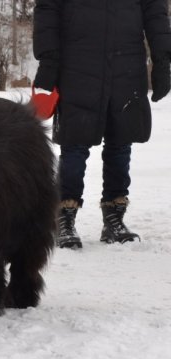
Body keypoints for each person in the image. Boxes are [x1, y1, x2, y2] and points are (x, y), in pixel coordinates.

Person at [33, 0, 171, 249]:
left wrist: (163, 59)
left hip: (127, 61)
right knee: (74, 144)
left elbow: (154, 9)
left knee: (121, 141)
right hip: (77, 62)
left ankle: (114, 218)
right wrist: (48, 59)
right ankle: (65, 217)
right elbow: (48, 8)